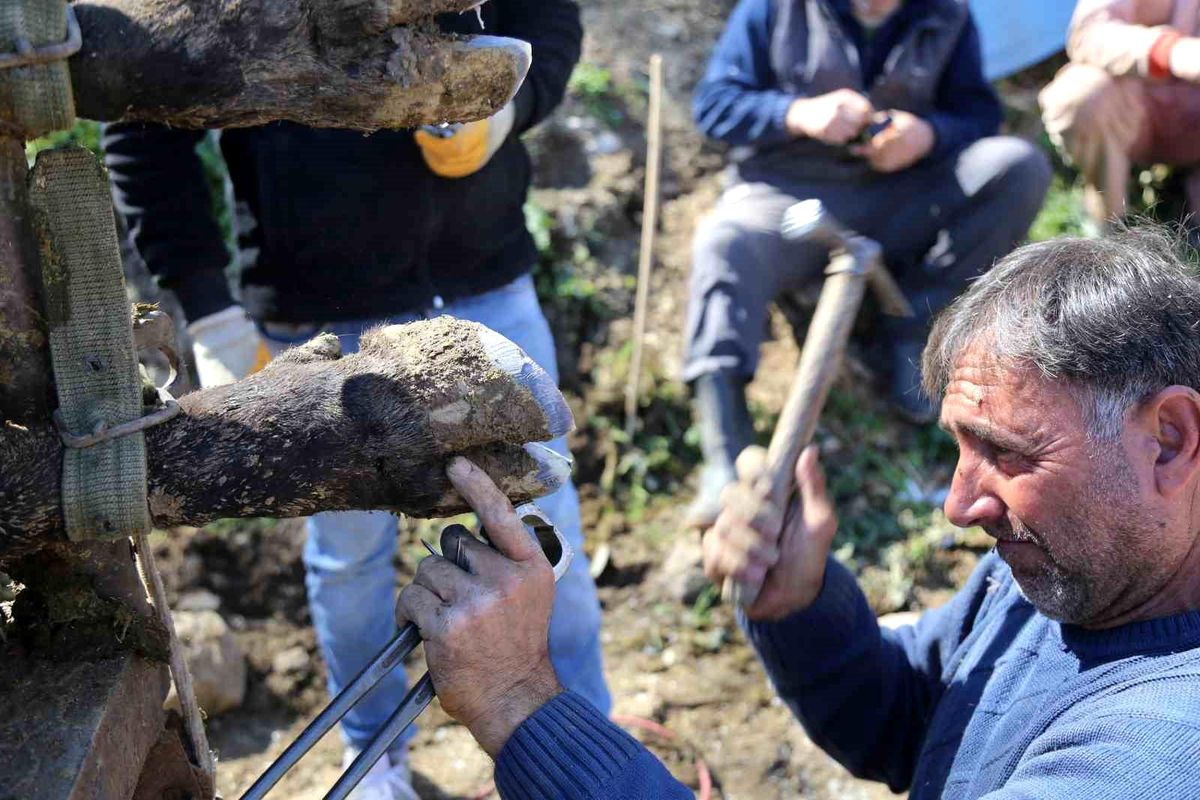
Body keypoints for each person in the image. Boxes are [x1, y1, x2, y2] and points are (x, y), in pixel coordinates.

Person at [403, 227, 1200, 799]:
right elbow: (920, 722)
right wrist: (804, 608)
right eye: (959, 448)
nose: (961, 505)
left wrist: (519, 704)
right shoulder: (1085, 570)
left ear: (1168, 439)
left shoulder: (1163, 749)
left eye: (1008, 453)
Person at [102, 3, 611, 798]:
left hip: (485, 278)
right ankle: (375, 756)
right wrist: (208, 305)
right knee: (349, 560)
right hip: (324, 313)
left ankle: (582, 745)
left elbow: (547, 18)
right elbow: (140, 122)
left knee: (548, 534)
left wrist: (514, 105)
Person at [682, 0, 1051, 526]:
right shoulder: (774, 9)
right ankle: (725, 452)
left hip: (904, 191)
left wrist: (928, 136)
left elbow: (978, 115)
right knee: (725, 243)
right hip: (788, 194)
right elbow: (715, 106)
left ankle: (918, 330)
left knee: (1017, 167)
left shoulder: (946, 14)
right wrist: (798, 115)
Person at [1040, 0, 1200, 226]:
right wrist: (1170, 52)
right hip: (1134, 109)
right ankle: (1108, 218)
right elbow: (1089, 32)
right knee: (1079, 98)